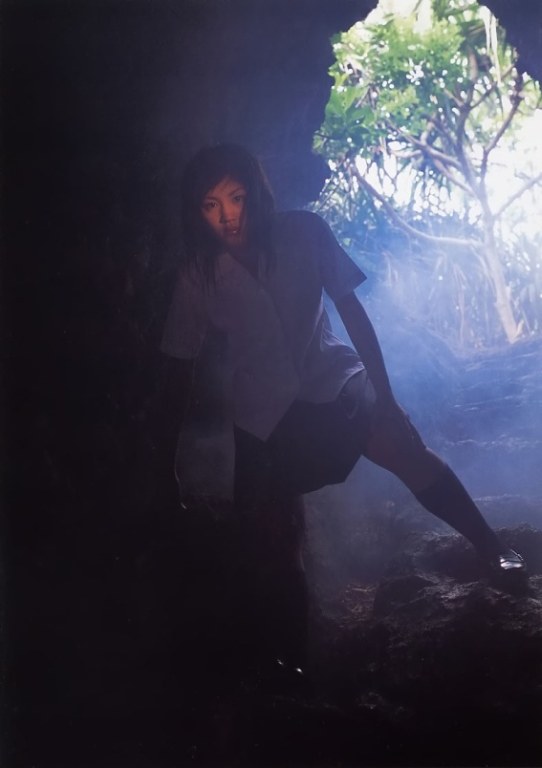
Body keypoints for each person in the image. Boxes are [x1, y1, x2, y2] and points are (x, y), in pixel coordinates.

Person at [160, 143, 526, 688]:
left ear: (256, 193)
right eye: (211, 205)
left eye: (236, 198)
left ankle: (494, 549)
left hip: (331, 380)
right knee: (273, 538)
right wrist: (166, 462)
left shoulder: (305, 232)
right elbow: (178, 365)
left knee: (404, 450)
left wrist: (388, 398)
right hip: (261, 412)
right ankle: (290, 663)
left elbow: (351, 311)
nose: (228, 216)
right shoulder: (198, 275)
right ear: (197, 212)